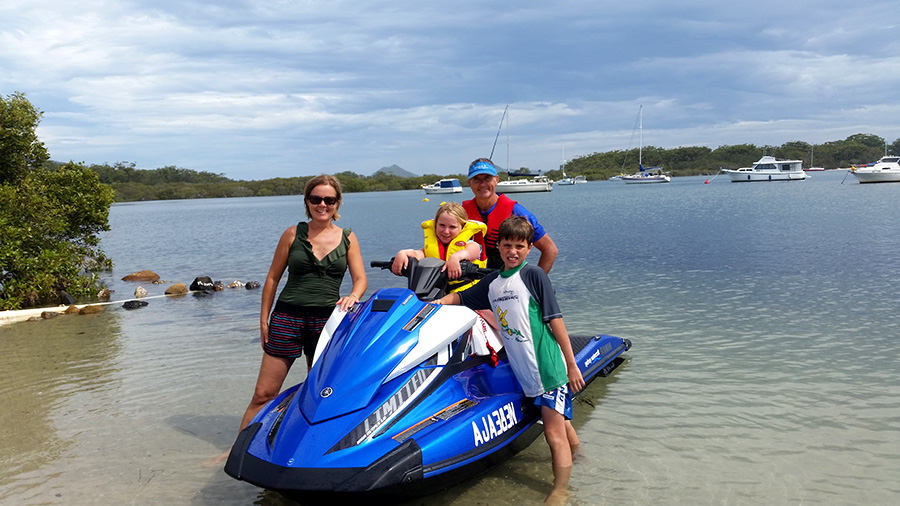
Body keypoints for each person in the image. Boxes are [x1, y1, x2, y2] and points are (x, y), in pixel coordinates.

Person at [432, 216, 584, 503]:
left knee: (552, 434)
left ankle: (561, 491)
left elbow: (555, 320)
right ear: (498, 247)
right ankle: (580, 456)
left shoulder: (533, 276)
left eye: (519, 246)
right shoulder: (492, 283)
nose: (512, 251)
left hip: (547, 366)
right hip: (525, 371)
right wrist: (430, 305)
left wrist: (571, 364)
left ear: (529, 249)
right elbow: (461, 298)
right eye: (507, 245)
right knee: (561, 422)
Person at [240, 174, 367, 432]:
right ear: (307, 202)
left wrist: (354, 296)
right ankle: (236, 449)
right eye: (316, 199)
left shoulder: (348, 238)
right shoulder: (292, 234)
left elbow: (361, 279)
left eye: (329, 199)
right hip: (287, 319)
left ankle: (301, 452)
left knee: (318, 396)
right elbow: (273, 278)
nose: (323, 204)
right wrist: (263, 322)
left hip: (326, 323)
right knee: (264, 393)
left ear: (337, 203)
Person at [463, 158, 558, 274]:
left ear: (496, 180)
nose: (482, 184)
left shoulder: (517, 213)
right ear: (469, 183)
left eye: (487, 178)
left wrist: (536, 282)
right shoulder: (461, 214)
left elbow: (550, 249)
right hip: (472, 280)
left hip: (506, 279)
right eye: (476, 179)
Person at [391, 201, 487, 292]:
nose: (446, 231)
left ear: (462, 228)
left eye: (452, 227)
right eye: (442, 225)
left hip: (466, 295)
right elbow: (419, 254)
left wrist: (456, 257)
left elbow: (471, 252)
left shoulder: (470, 244)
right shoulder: (433, 246)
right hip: (437, 295)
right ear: (435, 225)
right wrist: (404, 253)